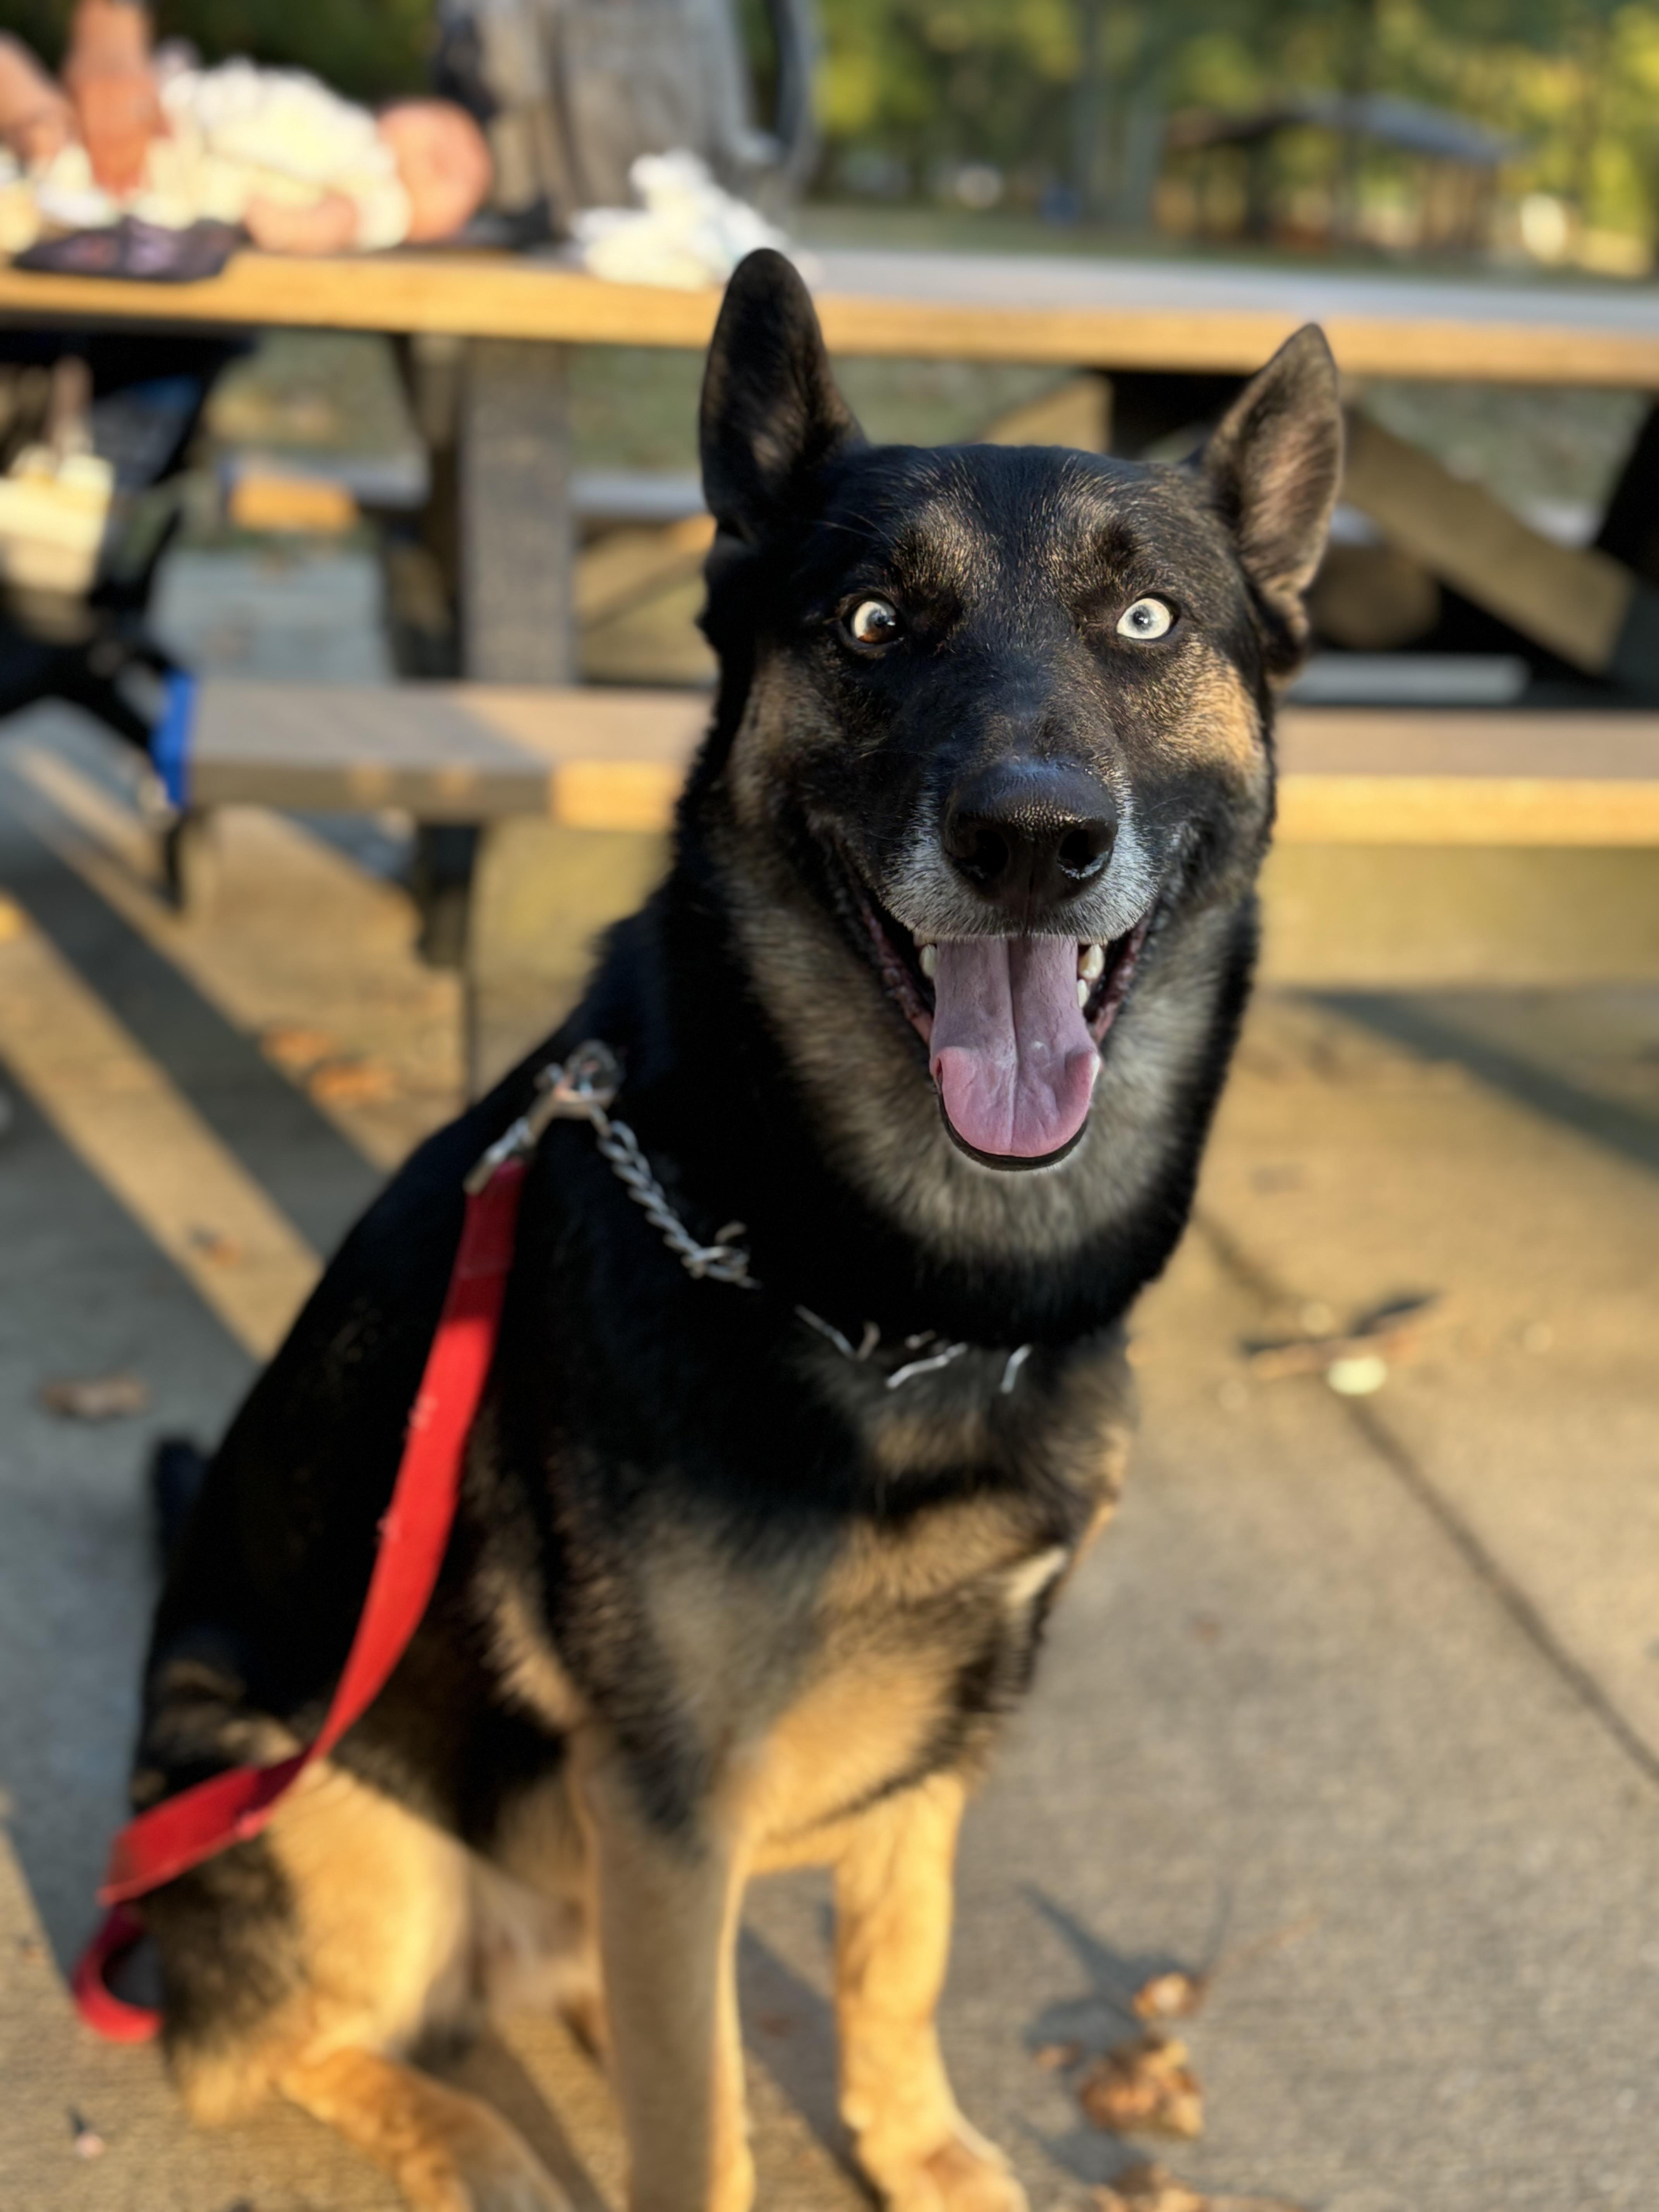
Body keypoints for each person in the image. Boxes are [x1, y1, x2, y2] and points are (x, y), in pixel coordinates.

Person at [0, 0, 492, 254]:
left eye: (464, 180)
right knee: (67, 137)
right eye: (445, 129)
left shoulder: (383, 199)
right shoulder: (353, 127)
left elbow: (348, 217)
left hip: (174, 176)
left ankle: (30, 111)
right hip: (178, 106)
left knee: (58, 153)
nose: (451, 156)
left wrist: (299, 228)